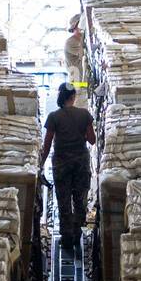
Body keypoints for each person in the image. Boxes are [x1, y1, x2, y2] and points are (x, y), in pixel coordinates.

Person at [39, 83, 95, 250]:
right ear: (73, 97)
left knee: (63, 200)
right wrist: (81, 134)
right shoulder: (84, 115)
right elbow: (92, 140)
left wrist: (41, 165)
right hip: (80, 163)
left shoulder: (54, 117)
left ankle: (66, 237)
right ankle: (77, 232)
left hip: (62, 164)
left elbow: (47, 144)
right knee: (79, 200)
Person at [63, 13, 85, 87]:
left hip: (83, 82)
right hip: (77, 84)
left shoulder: (82, 40)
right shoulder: (71, 42)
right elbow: (83, 55)